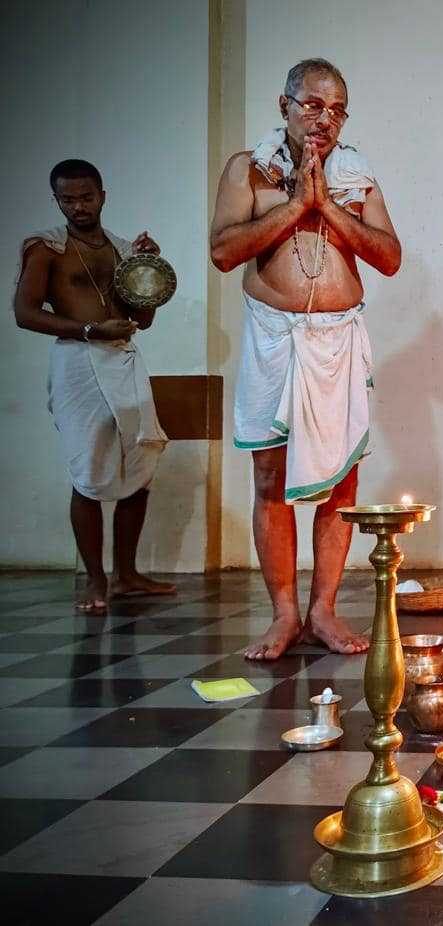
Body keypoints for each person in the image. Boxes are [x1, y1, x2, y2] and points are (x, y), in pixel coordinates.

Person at [209, 58, 401, 660]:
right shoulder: (249, 168)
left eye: (338, 109)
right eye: (313, 104)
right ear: (284, 104)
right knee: (270, 476)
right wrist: (295, 207)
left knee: (343, 479)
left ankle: (323, 609)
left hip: (337, 338)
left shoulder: (356, 175)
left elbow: (390, 257)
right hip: (275, 335)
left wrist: (327, 207)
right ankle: (284, 614)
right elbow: (223, 250)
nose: (326, 118)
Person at [14, 159, 175, 612]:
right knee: (88, 471)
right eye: (68, 199)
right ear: (57, 200)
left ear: (102, 194)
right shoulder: (47, 248)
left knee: (139, 465)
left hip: (122, 357)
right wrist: (86, 331)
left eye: (86, 197)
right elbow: (24, 313)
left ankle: (127, 574)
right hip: (77, 361)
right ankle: (95, 579)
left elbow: (142, 318)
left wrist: (148, 267)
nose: (78, 207)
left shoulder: (123, 250)